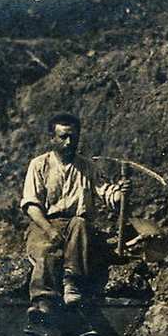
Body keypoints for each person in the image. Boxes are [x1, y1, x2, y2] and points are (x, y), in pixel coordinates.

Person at [21, 113, 128, 322]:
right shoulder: (39, 165)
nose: (69, 142)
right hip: (45, 222)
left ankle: (71, 283)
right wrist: (49, 229)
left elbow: (107, 192)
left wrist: (120, 193)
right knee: (45, 250)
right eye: (63, 137)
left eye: (73, 137)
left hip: (76, 225)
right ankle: (43, 302)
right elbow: (31, 205)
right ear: (52, 138)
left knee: (80, 224)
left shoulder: (88, 167)